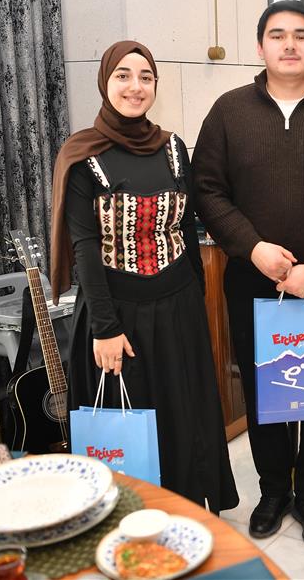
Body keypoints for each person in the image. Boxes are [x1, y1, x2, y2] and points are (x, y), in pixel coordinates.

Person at [192, 0, 304, 549]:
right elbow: (207, 190)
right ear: (260, 47)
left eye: (301, 35)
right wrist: (252, 248)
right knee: (263, 389)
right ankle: (273, 490)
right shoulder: (228, 112)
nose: (289, 45)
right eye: (277, 35)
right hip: (253, 281)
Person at [50, 40, 238, 513]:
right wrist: (105, 329)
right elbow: (85, 247)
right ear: (105, 82)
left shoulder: (173, 148)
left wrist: (197, 301)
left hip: (178, 308)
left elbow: (187, 227)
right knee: (129, 424)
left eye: (146, 77)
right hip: (117, 318)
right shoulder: (81, 154)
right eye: (123, 75)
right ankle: (130, 519)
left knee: (183, 418)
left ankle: (187, 513)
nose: (135, 87)